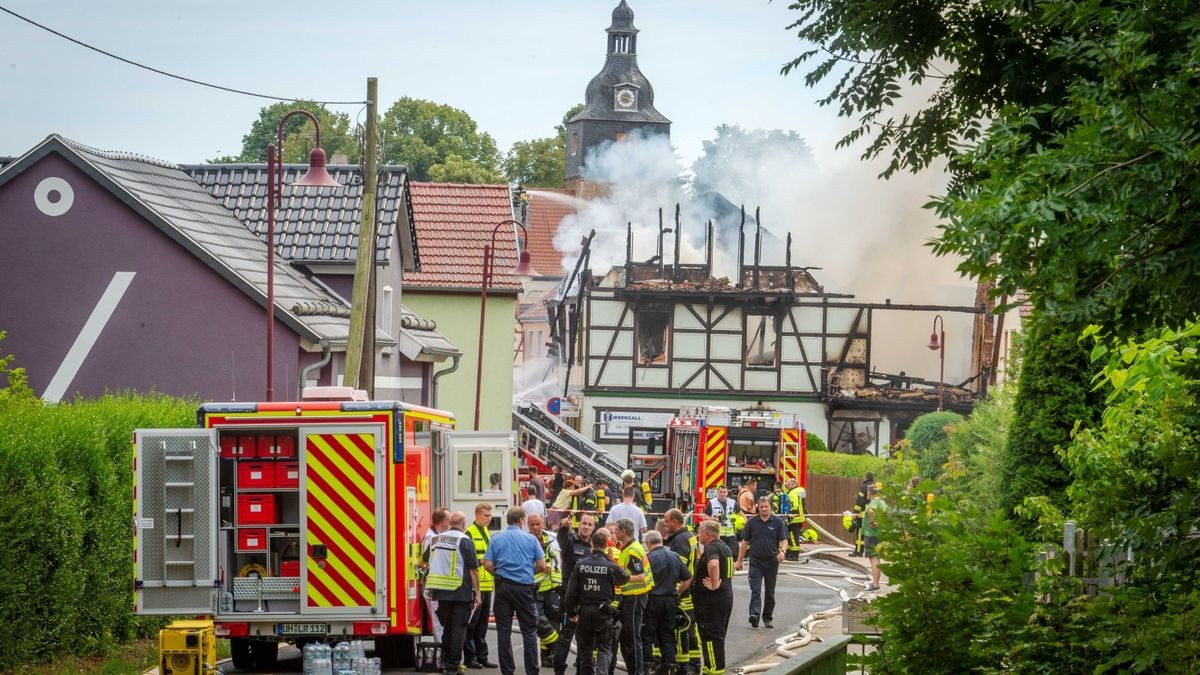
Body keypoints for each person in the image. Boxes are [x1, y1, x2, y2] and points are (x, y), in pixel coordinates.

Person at [484, 506, 547, 675]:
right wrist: (527, 571)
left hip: (503, 587)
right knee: (529, 631)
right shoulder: (531, 539)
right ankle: (532, 670)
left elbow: (487, 563)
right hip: (524, 588)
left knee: (503, 631)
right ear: (521, 520)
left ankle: (507, 671)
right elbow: (542, 565)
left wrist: (497, 573)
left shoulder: (496, 538)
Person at [564, 528, 630, 675]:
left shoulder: (580, 565)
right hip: (604, 611)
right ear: (607, 545)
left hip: (585, 611)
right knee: (605, 648)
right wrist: (611, 561)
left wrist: (571, 612)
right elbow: (625, 578)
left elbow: (571, 592)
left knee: (586, 648)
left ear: (592, 544)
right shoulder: (610, 565)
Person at [426, 511, 481, 675]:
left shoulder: (435, 539)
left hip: (441, 592)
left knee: (447, 629)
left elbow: (424, 559)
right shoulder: (465, 541)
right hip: (460, 591)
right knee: (458, 629)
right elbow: (473, 570)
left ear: (450, 523)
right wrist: (477, 593)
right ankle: (453, 667)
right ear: (464, 525)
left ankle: (445, 662)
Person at [642, 529, 692, 675]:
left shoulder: (649, 558)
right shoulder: (675, 556)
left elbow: (643, 580)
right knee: (667, 635)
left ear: (648, 543)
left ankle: (647, 666)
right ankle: (669, 665)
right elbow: (688, 578)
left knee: (647, 634)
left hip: (652, 600)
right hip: (670, 601)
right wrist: (678, 591)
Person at [554, 512, 597, 675]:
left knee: (585, 636)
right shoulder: (570, 541)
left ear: (593, 527)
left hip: (587, 597)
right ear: (579, 524)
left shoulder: (593, 546)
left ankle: (581, 668)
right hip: (569, 595)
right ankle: (559, 669)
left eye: (589, 524)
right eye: (584, 523)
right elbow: (562, 540)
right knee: (567, 634)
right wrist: (564, 528)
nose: (586, 527)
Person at [735, 496, 788, 629]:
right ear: (758, 507)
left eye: (766, 506)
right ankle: (754, 615)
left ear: (770, 507)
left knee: (770, 592)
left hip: (771, 561)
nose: (764, 509)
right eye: (761, 507)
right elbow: (745, 542)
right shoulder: (752, 523)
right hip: (755, 561)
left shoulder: (778, 522)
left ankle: (767, 617)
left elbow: (784, 539)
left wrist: (782, 551)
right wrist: (739, 560)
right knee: (756, 590)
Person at [610, 517, 653, 675]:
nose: (614, 532)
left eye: (616, 530)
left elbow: (640, 576)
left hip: (635, 597)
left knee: (633, 637)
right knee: (627, 637)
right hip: (630, 597)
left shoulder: (633, 549)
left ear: (623, 531)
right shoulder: (627, 547)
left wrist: (622, 579)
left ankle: (637, 672)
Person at [692, 519, 734, 675]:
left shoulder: (712, 548)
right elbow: (731, 570)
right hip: (725, 597)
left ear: (708, 534)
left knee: (710, 637)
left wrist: (715, 584)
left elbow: (714, 565)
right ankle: (713, 668)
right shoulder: (726, 547)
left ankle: (713, 670)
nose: (698, 534)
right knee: (718, 635)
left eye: (700, 531)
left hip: (711, 602)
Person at [464, 504, 496, 669]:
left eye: (490, 515)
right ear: (477, 515)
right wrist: (481, 562)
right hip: (475, 587)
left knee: (482, 625)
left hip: (487, 585)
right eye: (485, 515)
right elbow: (468, 563)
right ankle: (470, 658)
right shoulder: (469, 532)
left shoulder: (485, 532)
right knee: (472, 624)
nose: (489, 518)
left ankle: (482, 657)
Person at [528, 513, 562, 659]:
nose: (536, 527)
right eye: (532, 525)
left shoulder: (553, 537)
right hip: (534, 586)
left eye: (538, 524)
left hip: (553, 585)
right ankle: (556, 646)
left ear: (543, 522)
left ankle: (548, 656)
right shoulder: (526, 540)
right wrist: (538, 567)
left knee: (553, 620)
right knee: (538, 620)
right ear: (527, 525)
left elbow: (560, 560)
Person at [420, 508, 451, 642]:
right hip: (433, 585)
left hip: (436, 584)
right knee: (438, 619)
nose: (450, 523)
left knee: (440, 618)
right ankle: (442, 649)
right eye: (448, 520)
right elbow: (429, 562)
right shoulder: (431, 538)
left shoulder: (434, 535)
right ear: (443, 521)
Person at [863, 483, 887, 592]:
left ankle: (875, 584)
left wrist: (872, 522)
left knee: (873, 559)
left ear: (870, 492)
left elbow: (871, 511)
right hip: (879, 534)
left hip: (871, 534)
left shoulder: (874, 501)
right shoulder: (883, 502)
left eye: (867, 492)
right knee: (877, 558)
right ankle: (876, 582)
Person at [704, 485, 739, 553]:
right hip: (718, 534)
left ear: (727, 493)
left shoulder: (732, 502)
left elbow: (741, 514)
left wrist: (746, 523)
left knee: (733, 553)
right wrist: (713, 519)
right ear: (717, 493)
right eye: (720, 492)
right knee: (719, 553)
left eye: (724, 492)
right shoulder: (712, 502)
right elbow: (704, 517)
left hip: (730, 534)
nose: (722, 494)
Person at [849, 471, 874, 557]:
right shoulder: (875, 487)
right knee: (870, 533)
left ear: (866, 477)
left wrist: (855, 513)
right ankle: (869, 552)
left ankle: (858, 551)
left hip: (863, 514)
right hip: (873, 513)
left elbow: (860, 501)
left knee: (860, 533)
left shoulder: (864, 487)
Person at [783, 479, 808, 561]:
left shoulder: (793, 493)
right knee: (791, 536)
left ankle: (794, 555)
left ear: (793, 484)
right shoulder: (801, 490)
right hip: (800, 517)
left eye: (788, 485)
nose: (787, 487)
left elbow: (794, 506)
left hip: (794, 518)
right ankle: (789, 553)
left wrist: (789, 515)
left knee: (793, 537)